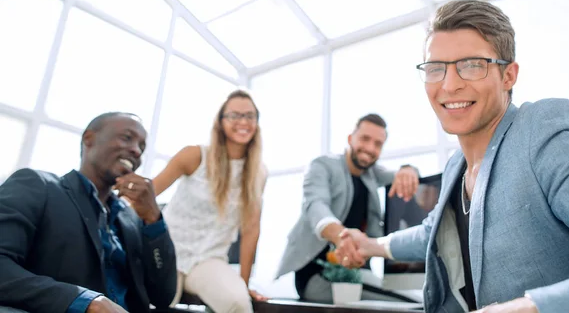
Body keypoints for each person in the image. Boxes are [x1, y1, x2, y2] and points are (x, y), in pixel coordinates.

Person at [336, 0, 569, 313]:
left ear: (508, 76)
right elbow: (431, 233)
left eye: (472, 64)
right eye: (436, 69)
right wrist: (370, 246)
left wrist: (528, 307)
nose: (449, 85)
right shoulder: (454, 169)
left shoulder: (544, 128)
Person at [0, 112, 177, 313]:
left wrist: (153, 220)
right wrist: (86, 301)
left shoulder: (131, 220)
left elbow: (163, 295)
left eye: (142, 147)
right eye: (127, 138)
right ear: (89, 139)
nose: (137, 151)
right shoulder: (38, 186)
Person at [276, 113, 422, 302]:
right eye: (365, 139)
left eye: (378, 144)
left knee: (415, 298)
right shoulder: (322, 166)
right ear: (350, 139)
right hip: (319, 275)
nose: (370, 148)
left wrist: (409, 169)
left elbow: (401, 176)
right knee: (415, 303)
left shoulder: (370, 173)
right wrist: (342, 237)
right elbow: (316, 206)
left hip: (356, 273)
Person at [153, 89, 268, 313]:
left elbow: (251, 230)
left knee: (238, 304)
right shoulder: (194, 156)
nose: (243, 122)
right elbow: (148, 194)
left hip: (209, 260)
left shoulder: (259, 172)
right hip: (168, 253)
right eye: (235, 115)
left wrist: (243, 284)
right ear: (221, 121)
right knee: (156, 304)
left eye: (249, 116)